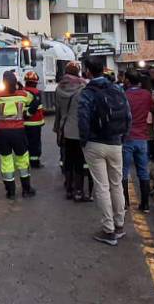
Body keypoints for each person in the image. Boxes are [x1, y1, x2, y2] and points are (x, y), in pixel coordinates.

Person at [77, 55, 131, 246]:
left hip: (95, 143)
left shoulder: (87, 93)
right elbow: (128, 115)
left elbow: (83, 120)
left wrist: (84, 141)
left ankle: (108, 230)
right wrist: (122, 137)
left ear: (88, 72)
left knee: (102, 186)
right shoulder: (117, 88)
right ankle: (119, 225)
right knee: (116, 184)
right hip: (116, 142)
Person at [0, 71, 36, 199]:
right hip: (18, 132)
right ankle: (26, 189)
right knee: (22, 160)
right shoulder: (23, 95)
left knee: (6, 161)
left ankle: (10, 192)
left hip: (2, 133)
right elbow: (33, 99)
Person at [53, 61, 93, 202]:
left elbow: (58, 111)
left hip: (65, 130)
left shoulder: (58, 88)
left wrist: (57, 129)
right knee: (79, 162)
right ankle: (78, 191)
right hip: (79, 130)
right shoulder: (83, 87)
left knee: (68, 161)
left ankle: (69, 189)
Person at [122, 70, 154, 212]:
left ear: (128, 81)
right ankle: (145, 204)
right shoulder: (147, 95)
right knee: (143, 171)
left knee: (123, 171)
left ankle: (125, 203)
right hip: (142, 137)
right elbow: (152, 108)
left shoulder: (124, 96)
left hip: (127, 137)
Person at [22, 70, 46, 168]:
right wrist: (27, 114)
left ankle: (25, 162)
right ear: (35, 83)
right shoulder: (36, 93)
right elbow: (35, 106)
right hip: (34, 123)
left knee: (26, 143)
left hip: (24, 123)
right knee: (35, 144)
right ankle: (35, 162)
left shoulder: (22, 92)